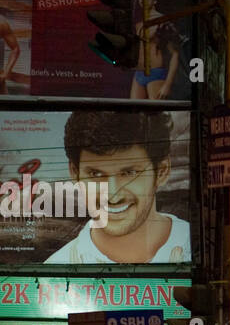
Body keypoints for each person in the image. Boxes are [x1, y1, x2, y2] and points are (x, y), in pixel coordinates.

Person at [44, 110, 190, 264]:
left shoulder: (197, 247)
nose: (113, 195)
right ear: (74, 172)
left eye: (129, 172)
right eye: (96, 174)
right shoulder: (52, 273)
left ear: (162, 171)